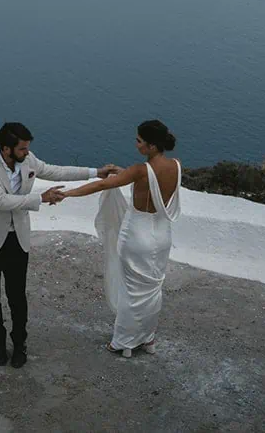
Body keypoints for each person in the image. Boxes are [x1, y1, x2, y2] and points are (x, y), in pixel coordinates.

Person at [0, 121, 119, 367]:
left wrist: (95, 172)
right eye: (22, 149)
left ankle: (19, 343)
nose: (27, 153)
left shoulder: (27, 160)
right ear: (6, 149)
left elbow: (55, 171)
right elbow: (0, 201)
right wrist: (41, 197)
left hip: (17, 239)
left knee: (17, 296)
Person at [53, 119, 181, 356]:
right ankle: (148, 338)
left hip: (137, 236)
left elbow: (102, 185)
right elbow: (146, 180)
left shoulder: (139, 170)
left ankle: (122, 342)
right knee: (152, 289)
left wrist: (68, 193)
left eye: (139, 141)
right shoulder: (175, 165)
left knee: (131, 290)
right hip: (162, 235)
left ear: (152, 146)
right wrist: (124, 173)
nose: (136, 144)